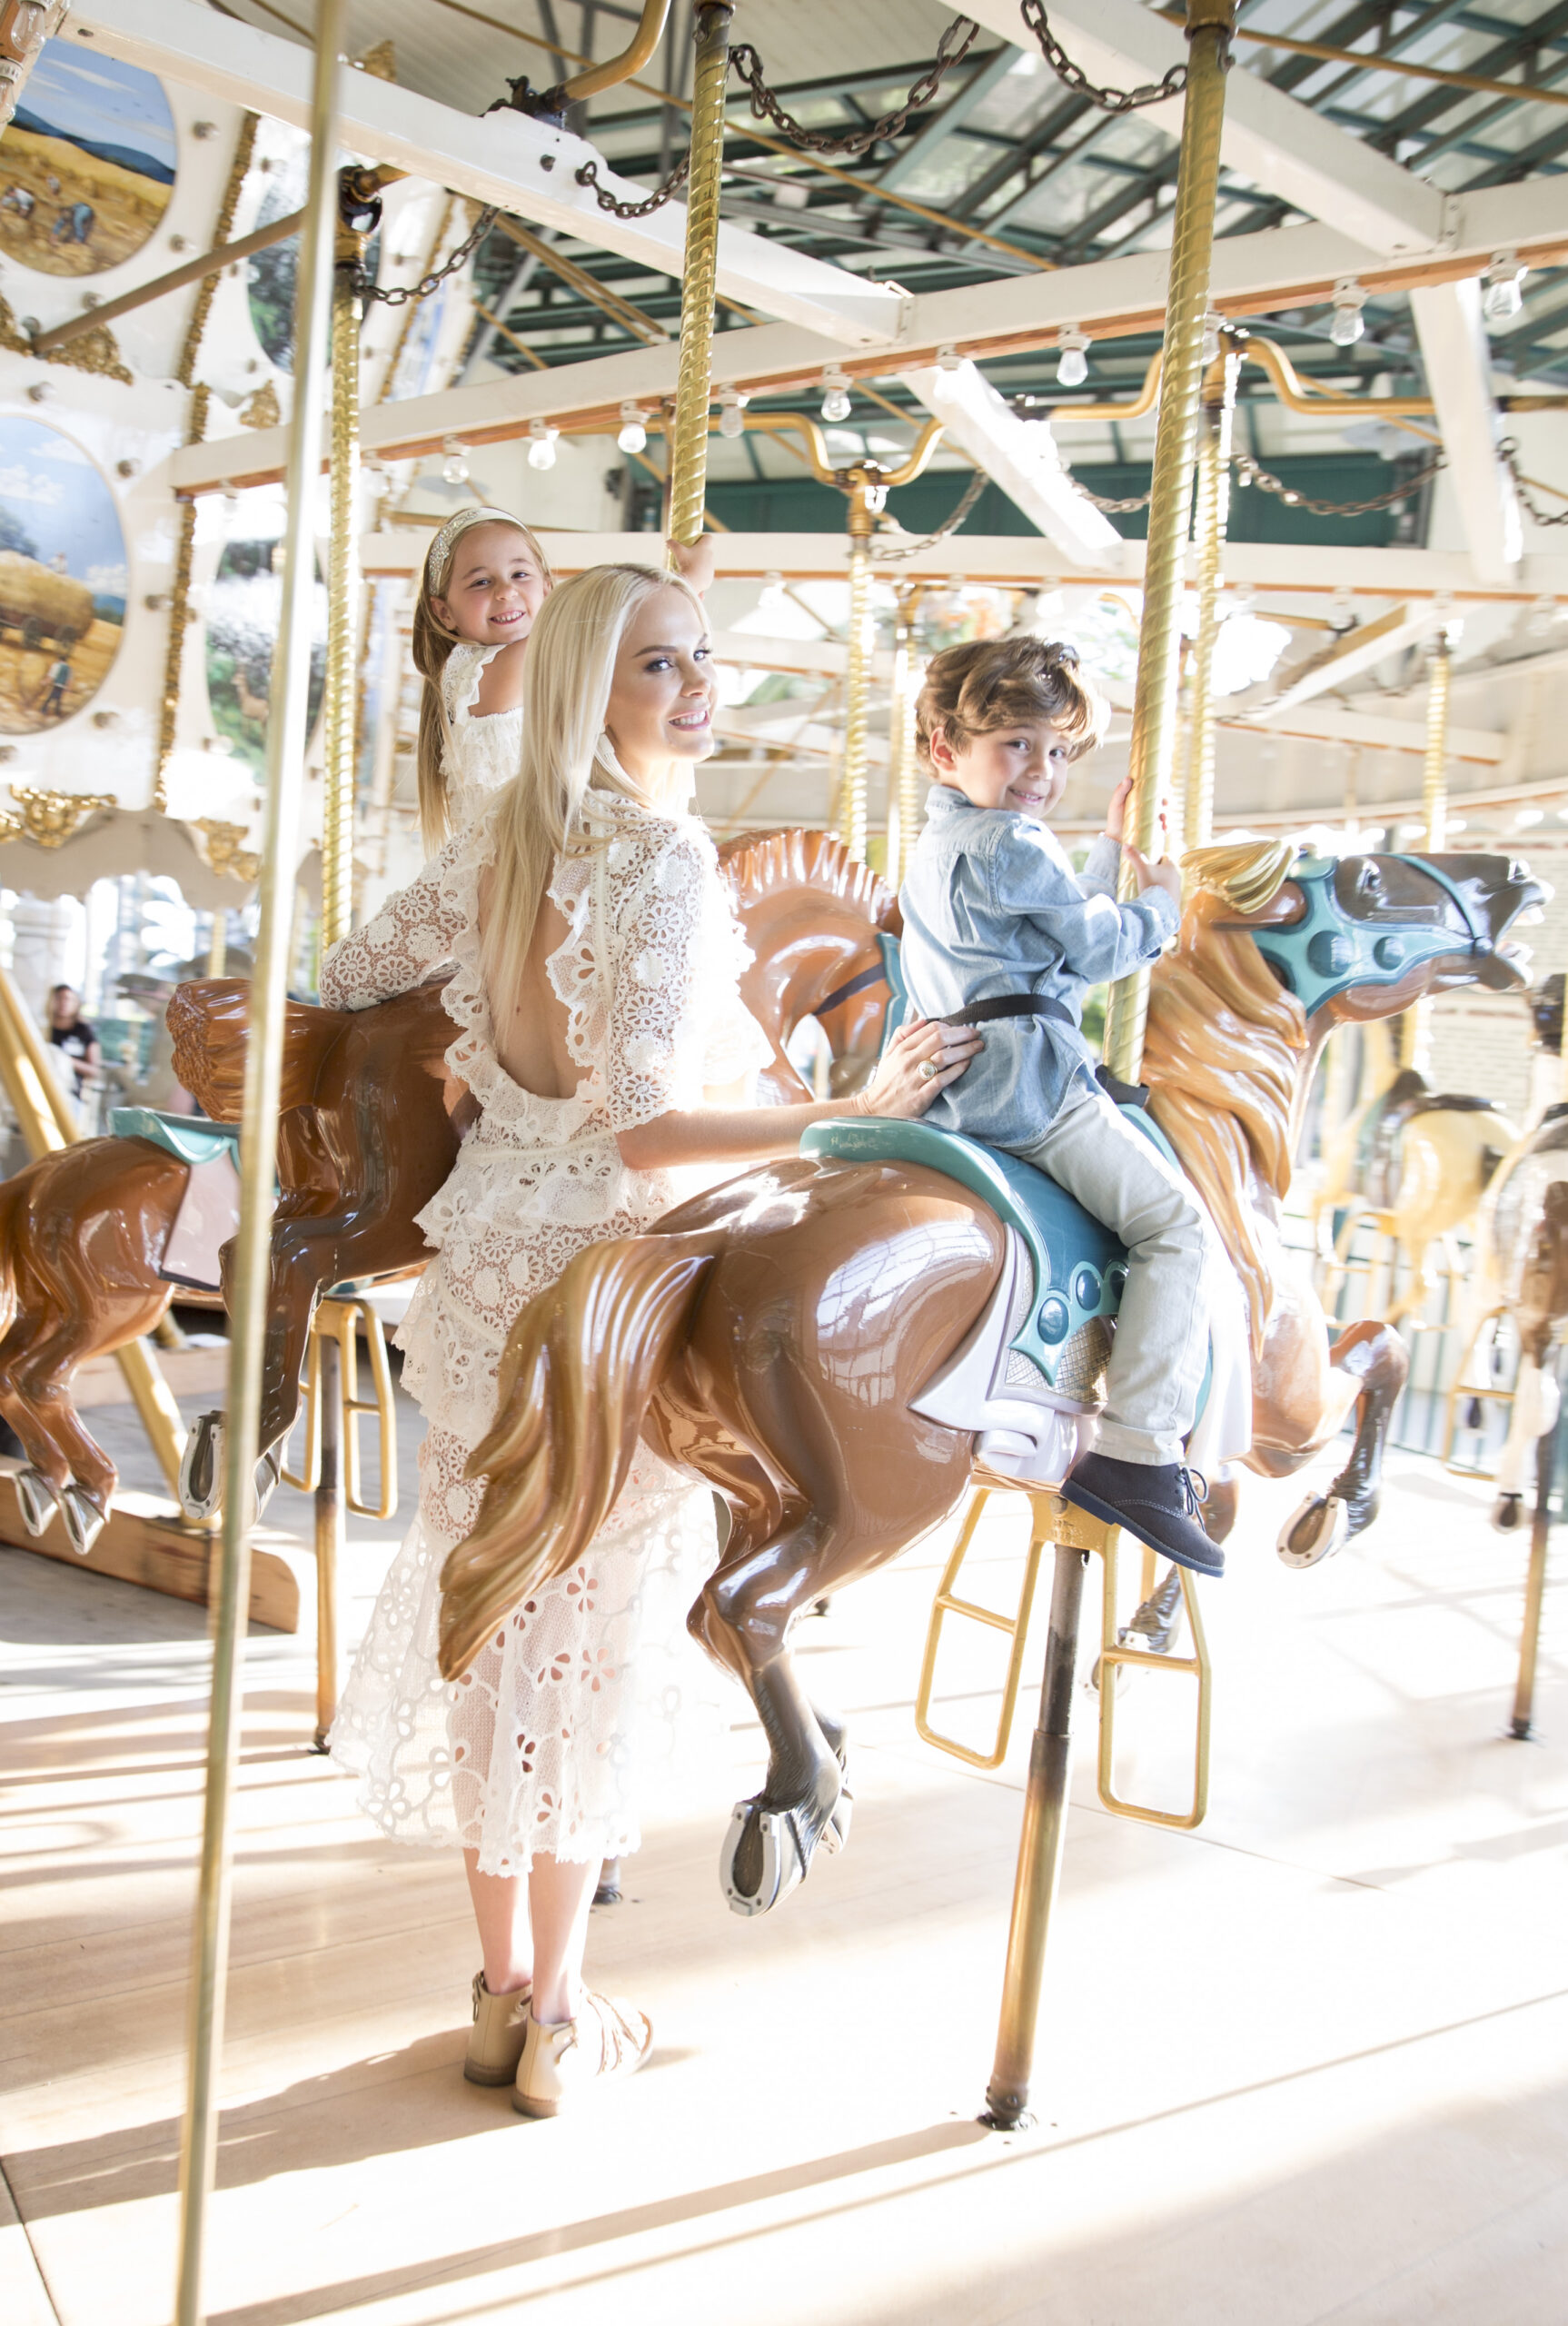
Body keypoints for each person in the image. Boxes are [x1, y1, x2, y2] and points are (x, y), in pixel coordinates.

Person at [323, 562, 979, 2118]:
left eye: (702, 661)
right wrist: (853, 1110)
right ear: (585, 693)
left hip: (480, 1280)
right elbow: (649, 1128)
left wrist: (471, 1073)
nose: (698, 692)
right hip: (604, 1291)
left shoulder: (502, 839)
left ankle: (500, 1997)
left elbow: (352, 972)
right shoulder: (664, 862)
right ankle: (559, 2012)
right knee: (584, 1645)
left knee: (493, 1620)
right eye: (659, 669)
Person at [898, 634, 1225, 1578]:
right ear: (943, 748)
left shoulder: (947, 839)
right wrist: (1159, 902)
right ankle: (1140, 1453)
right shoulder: (1006, 841)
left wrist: (1110, 850)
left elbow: (1042, 927)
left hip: (959, 1090)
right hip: (1030, 1089)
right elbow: (1089, 950)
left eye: (1053, 751)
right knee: (1176, 1230)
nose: (1039, 770)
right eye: (1013, 745)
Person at [412, 503, 714, 853]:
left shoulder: (542, 665)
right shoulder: (479, 674)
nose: (505, 591)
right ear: (443, 612)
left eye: (520, 575)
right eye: (481, 582)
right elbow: (601, 627)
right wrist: (689, 584)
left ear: (547, 587)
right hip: (522, 860)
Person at [45, 985, 100, 1096]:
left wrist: (64, 1060)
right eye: (59, 998)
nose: (63, 1003)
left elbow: (94, 1070)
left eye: (68, 999)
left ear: (76, 1003)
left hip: (70, 1093)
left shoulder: (84, 1031)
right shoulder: (43, 1028)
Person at [41, 651, 71, 718]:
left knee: (51, 697)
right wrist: (68, 688)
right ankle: (57, 713)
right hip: (62, 686)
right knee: (58, 699)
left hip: (56, 684)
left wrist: (45, 682)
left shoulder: (57, 665)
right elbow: (68, 679)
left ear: (59, 659)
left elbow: (52, 675)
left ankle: (44, 709)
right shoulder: (68, 668)